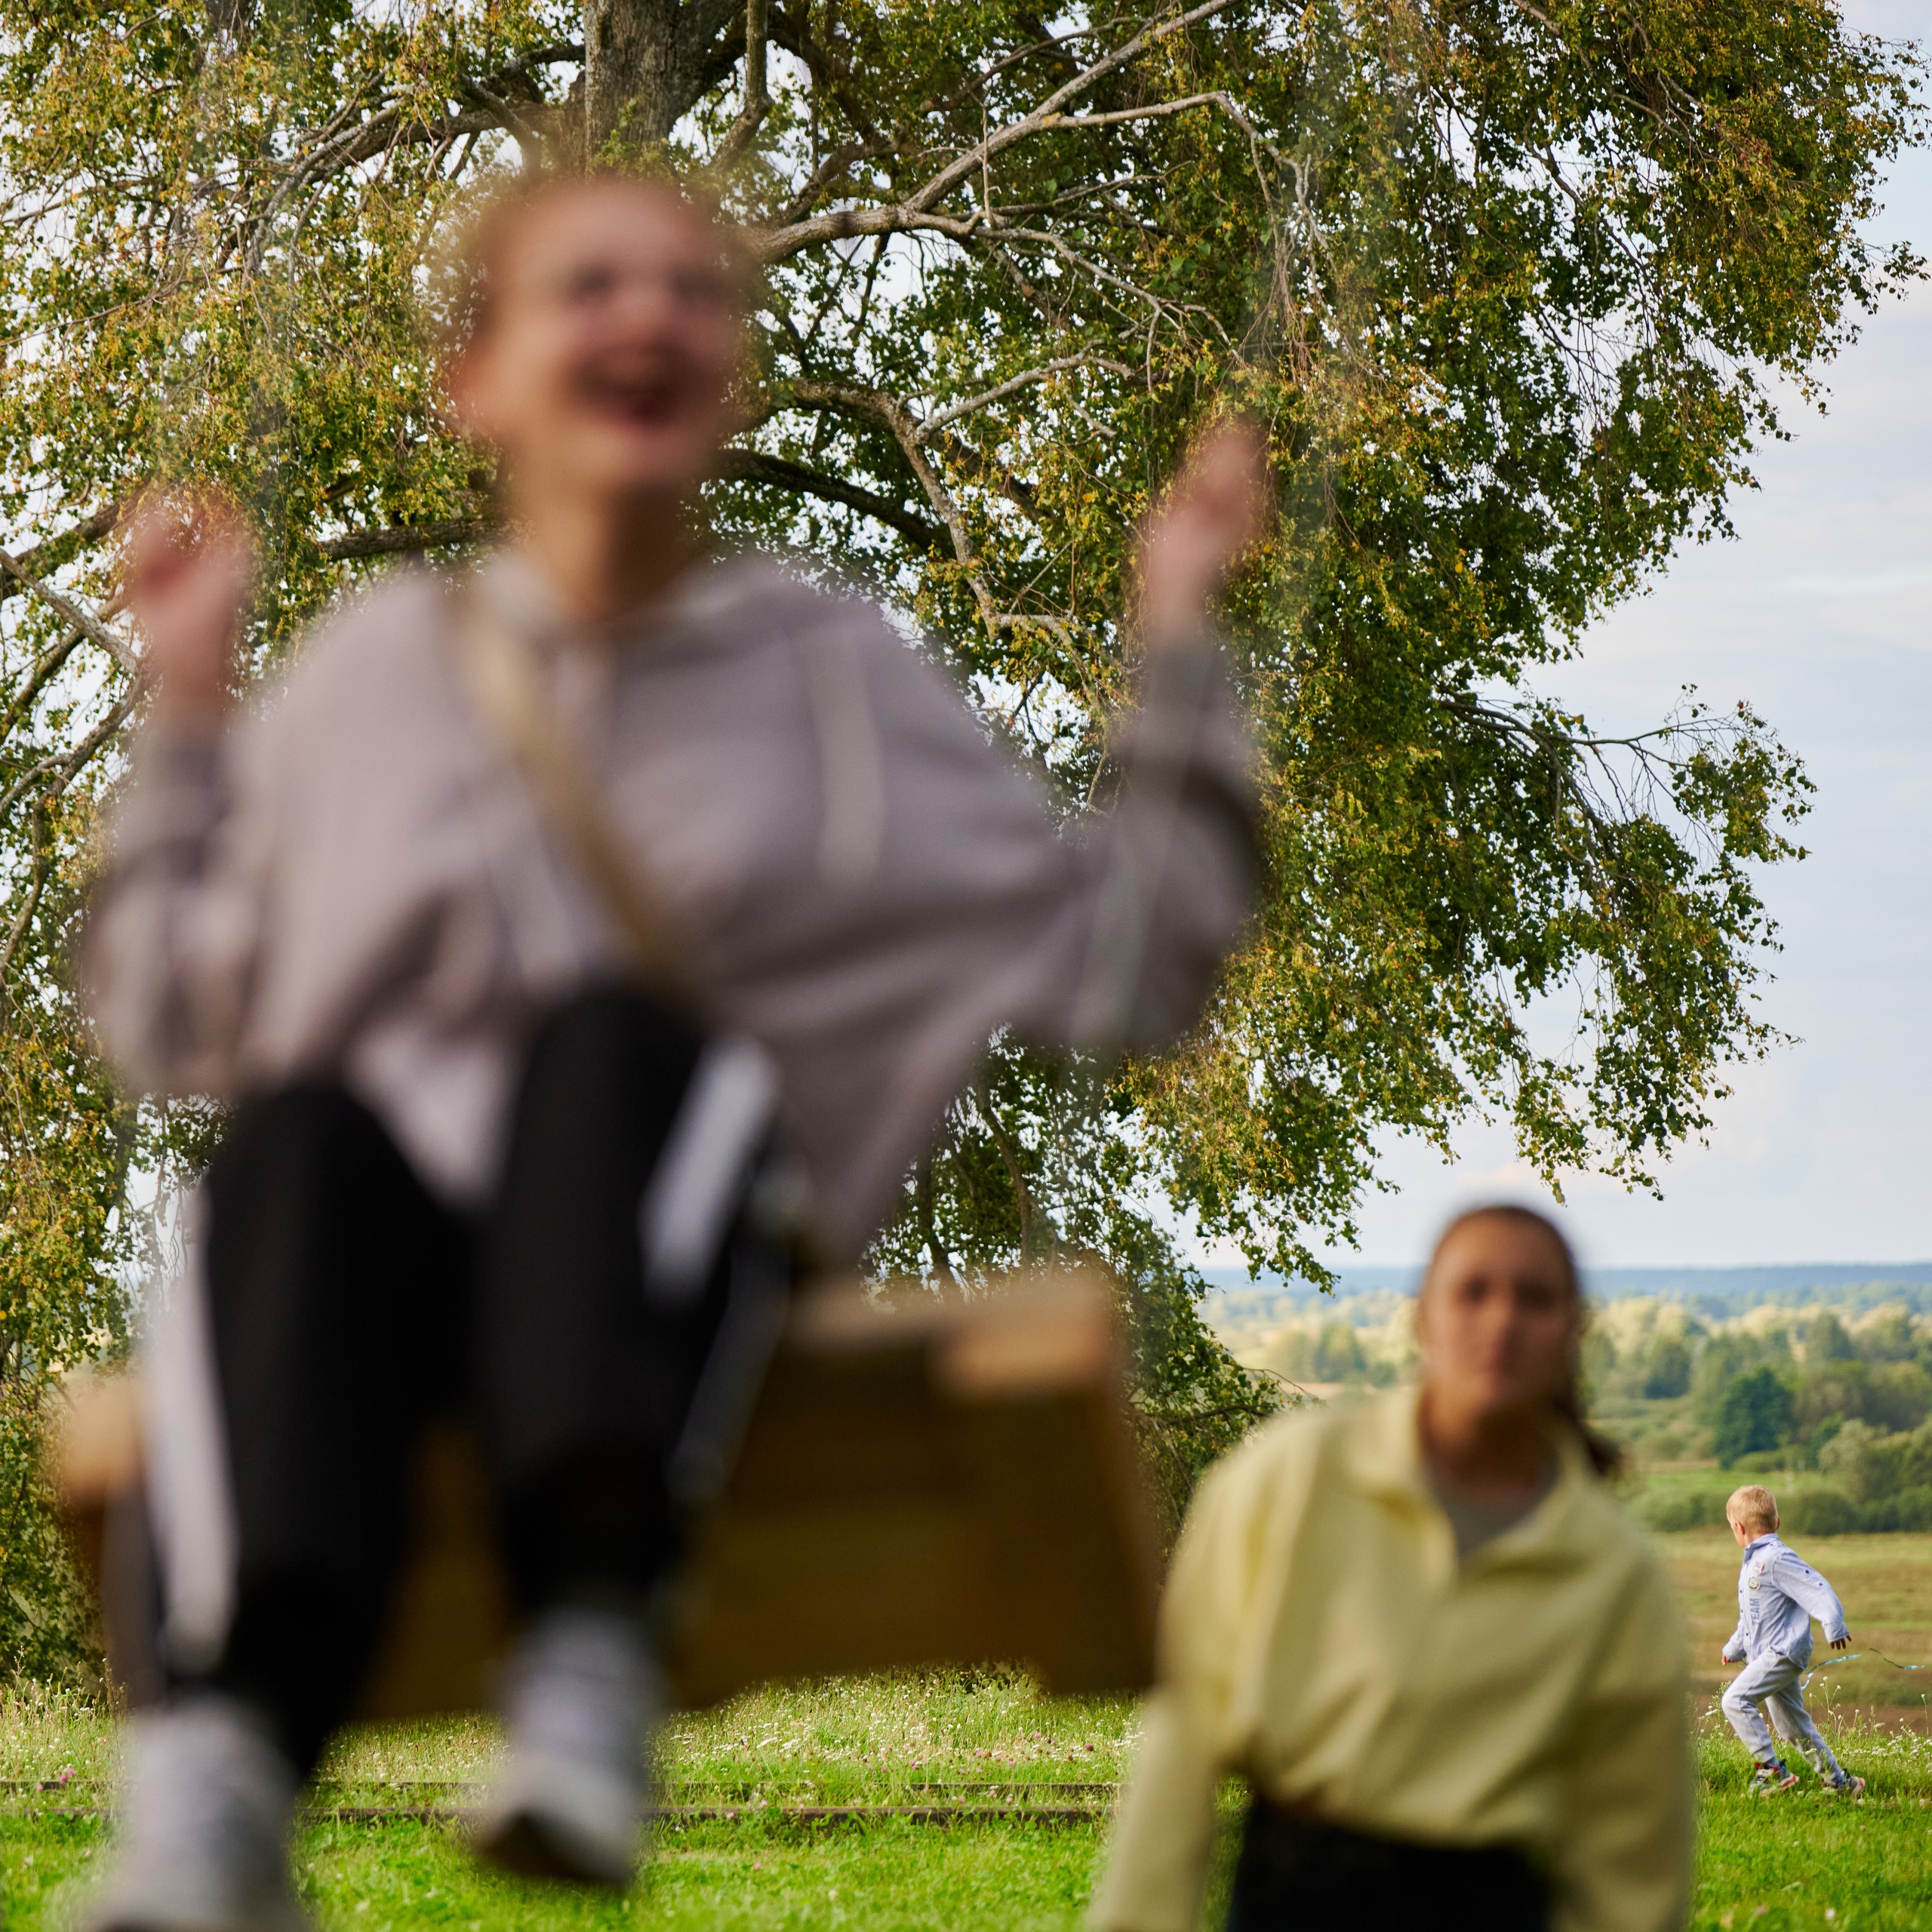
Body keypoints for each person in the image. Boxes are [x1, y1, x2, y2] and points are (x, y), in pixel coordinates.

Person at [82, 171, 1265, 1930]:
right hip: (376, 1294)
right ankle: (222, 1767)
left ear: (730, 375)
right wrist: (186, 712)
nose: (647, 318)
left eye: (692, 292)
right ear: (472, 379)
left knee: (611, 1037)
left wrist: (1177, 648)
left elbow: (1129, 961)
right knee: (301, 1127)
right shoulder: (372, 671)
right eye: (587, 287)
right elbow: (169, 1016)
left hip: (667, 1275)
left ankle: (583, 1645)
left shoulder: (832, 683)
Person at [1088, 1204, 1691, 1932]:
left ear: (1572, 1329)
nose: (1501, 1321)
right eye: (1473, 1292)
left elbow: (1633, 1866)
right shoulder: (1289, 1479)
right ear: (1422, 1319)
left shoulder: (1614, 1571)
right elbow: (1183, 1737)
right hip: (1299, 1899)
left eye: (1534, 1298)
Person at [1717, 1484, 1864, 1798]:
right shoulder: (1753, 1564)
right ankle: (1840, 1784)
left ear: (1738, 1528)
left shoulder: (1775, 1558)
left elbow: (1816, 1586)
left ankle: (1771, 1772)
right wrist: (1733, 1649)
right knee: (1791, 1726)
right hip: (1767, 1654)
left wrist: (1833, 1623)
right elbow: (1751, 1617)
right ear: (1777, 1523)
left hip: (1782, 1652)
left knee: (1734, 1700)